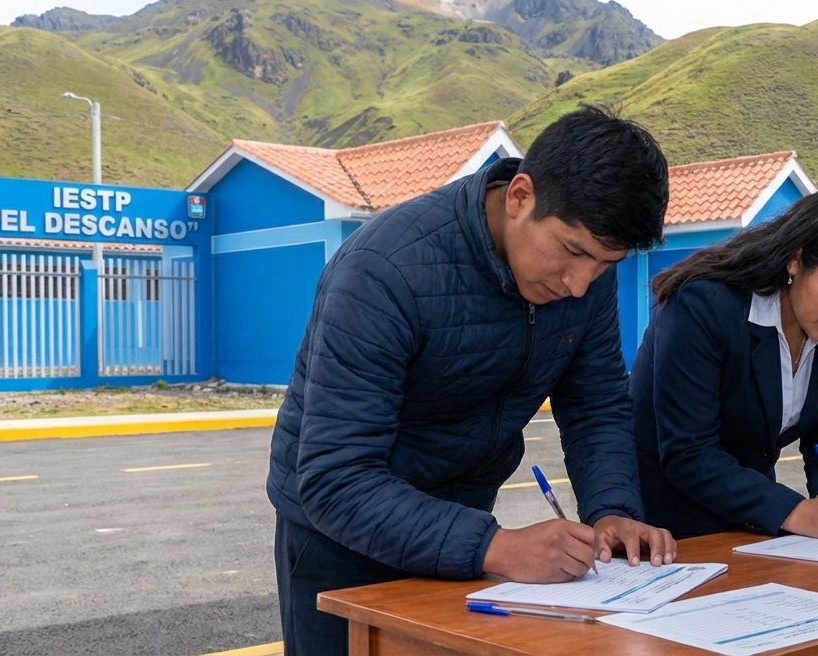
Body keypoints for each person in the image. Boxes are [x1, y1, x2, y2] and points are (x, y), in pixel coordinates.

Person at [268, 106, 678, 655]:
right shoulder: (384, 270)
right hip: (340, 535)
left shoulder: (582, 278)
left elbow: (596, 404)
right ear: (520, 197)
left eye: (606, 264)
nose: (581, 283)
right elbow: (335, 478)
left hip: (461, 522)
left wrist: (612, 510)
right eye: (573, 251)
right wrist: (496, 547)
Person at [631, 184, 818, 540]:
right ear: (796, 259)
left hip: (749, 528)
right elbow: (689, 452)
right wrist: (797, 511)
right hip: (661, 529)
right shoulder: (702, 306)